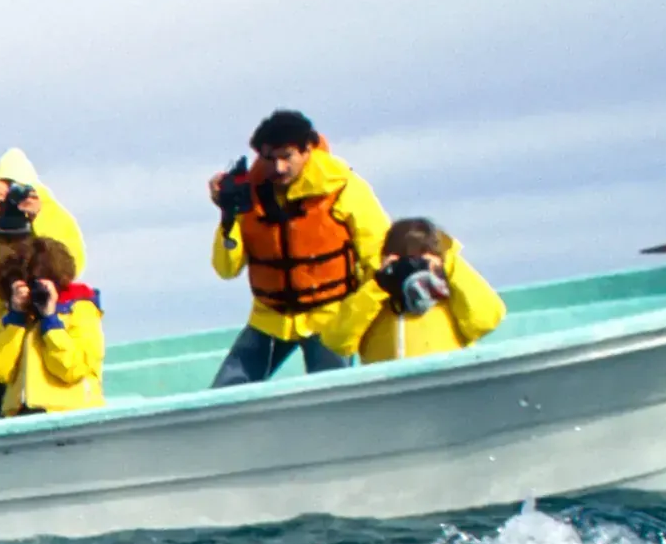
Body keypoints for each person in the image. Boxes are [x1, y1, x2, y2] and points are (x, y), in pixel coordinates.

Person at [205, 109, 389, 387]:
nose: (278, 168)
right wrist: (227, 215)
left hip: (331, 317)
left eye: (286, 156)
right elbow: (226, 269)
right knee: (222, 395)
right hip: (271, 318)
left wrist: (360, 317)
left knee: (333, 397)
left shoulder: (343, 188)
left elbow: (378, 256)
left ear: (307, 149)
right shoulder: (248, 195)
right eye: (269, 158)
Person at [0, 149, 88, 422]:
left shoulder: (53, 215)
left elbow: (72, 265)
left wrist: (39, 219)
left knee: (33, 406)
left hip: (38, 330)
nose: (12, 195)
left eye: (18, 188)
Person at [321, 216, 507, 364]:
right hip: (390, 390)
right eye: (405, 260)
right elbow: (337, 341)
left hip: (444, 382)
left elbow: (487, 320)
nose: (413, 268)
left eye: (421, 259)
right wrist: (378, 287)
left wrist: (449, 267)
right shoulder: (375, 291)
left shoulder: (451, 288)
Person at [0, 235, 104, 415]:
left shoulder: (80, 310)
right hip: (22, 414)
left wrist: (51, 322)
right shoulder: (15, 319)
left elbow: (73, 368)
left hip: (70, 412)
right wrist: (16, 320)